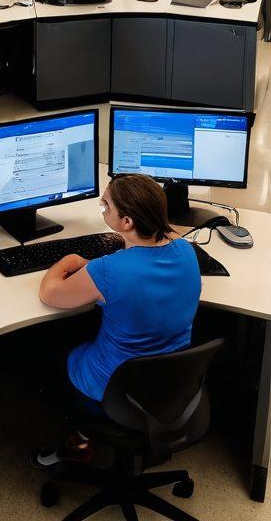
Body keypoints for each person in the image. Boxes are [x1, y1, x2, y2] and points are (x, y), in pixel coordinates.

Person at [35, 174, 200, 466]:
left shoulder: (110, 271)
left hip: (112, 391)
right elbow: (162, 239)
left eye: (106, 205)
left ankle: (78, 441)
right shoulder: (187, 252)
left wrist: (70, 260)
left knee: (50, 349)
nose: (101, 205)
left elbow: (50, 293)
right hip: (171, 388)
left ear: (127, 223)